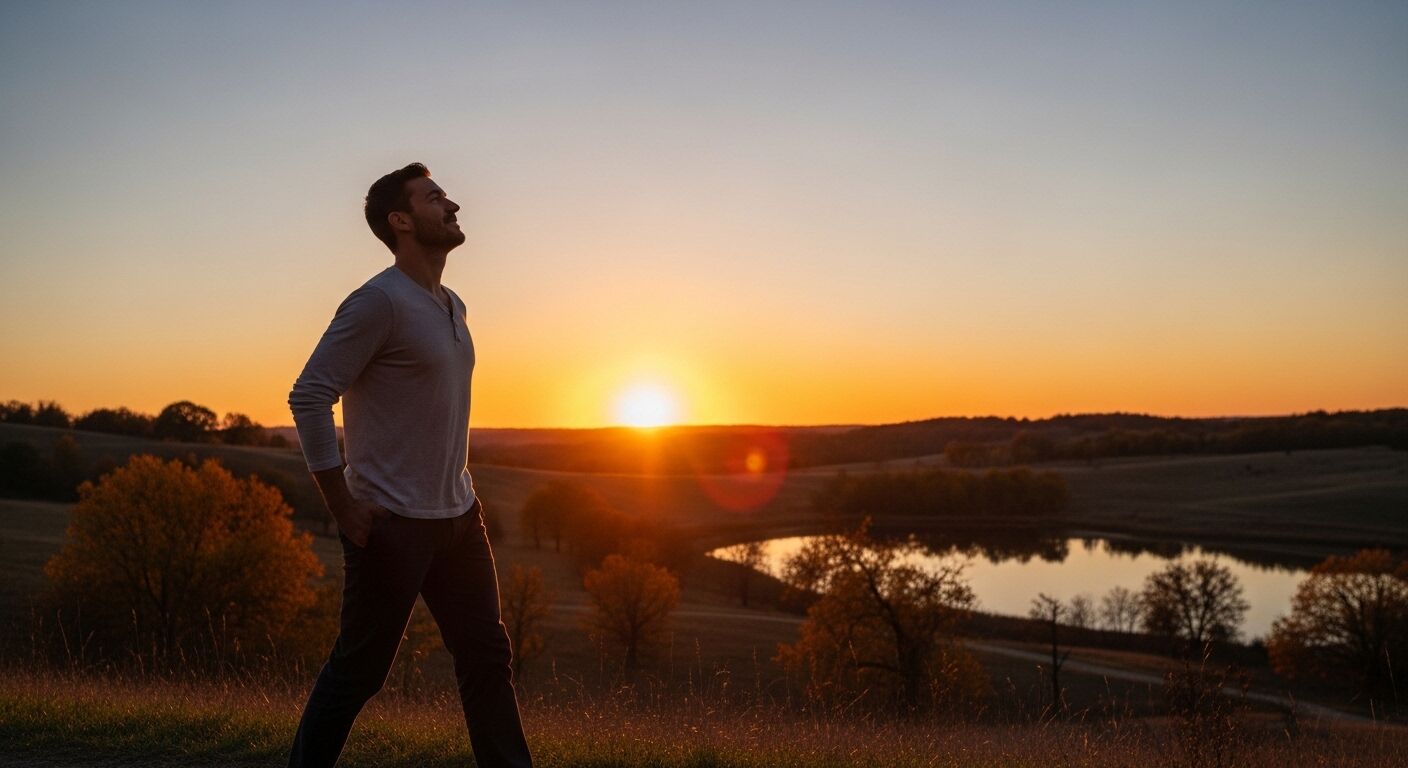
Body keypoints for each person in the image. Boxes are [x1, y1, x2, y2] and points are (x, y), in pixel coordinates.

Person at [286, 163, 532, 767]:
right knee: (359, 672)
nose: (452, 205)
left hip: (459, 517)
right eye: (435, 197)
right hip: (392, 524)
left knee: (487, 661)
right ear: (401, 221)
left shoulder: (453, 305)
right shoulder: (378, 302)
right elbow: (310, 394)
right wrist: (342, 505)